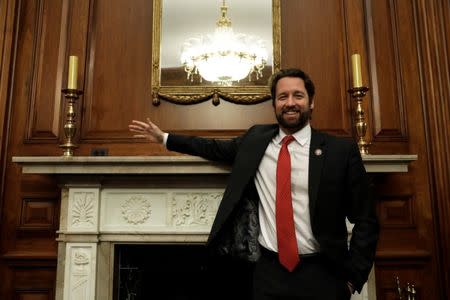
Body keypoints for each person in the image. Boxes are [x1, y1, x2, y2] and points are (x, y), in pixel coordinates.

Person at [129, 68, 379, 300]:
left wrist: (351, 279)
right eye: (282, 97)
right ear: (274, 104)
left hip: (323, 274)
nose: (290, 103)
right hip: (269, 274)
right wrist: (165, 138)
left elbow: (366, 219)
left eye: (298, 96)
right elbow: (212, 147)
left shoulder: (340, 151)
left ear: (311, 102)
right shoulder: (256, 140)